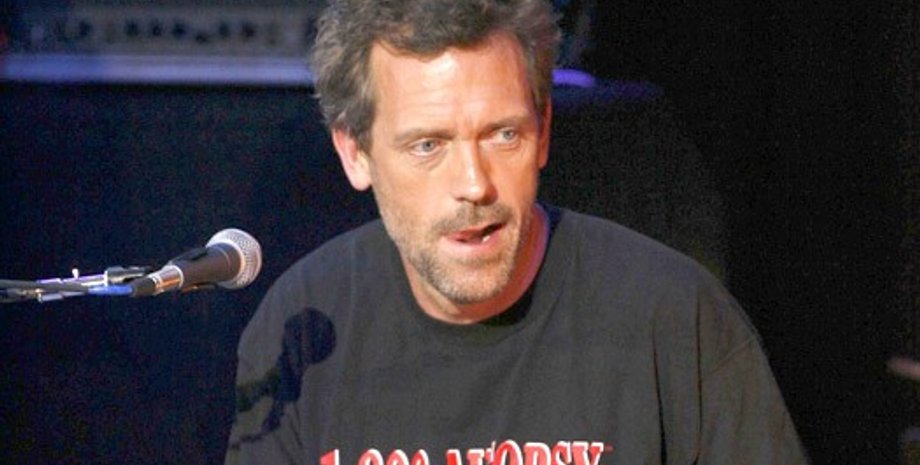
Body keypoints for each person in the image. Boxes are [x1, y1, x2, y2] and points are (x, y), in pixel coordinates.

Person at [225, 0, 808, 464]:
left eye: (504, 135)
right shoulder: (303, 324)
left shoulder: (675, 317)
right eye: (428, 145)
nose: (474, 184)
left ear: (544, 131)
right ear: (355, 153)